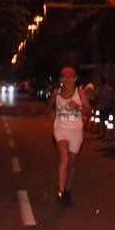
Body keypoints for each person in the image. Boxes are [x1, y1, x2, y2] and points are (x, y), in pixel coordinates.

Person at [49, 66, 91, 205]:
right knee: (64, 159)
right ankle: (60, 191)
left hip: (76, 131)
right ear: (61, 79)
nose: (66, 80)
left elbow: (88, 111)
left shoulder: (80, 93)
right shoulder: (56, 93)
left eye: (69, 77)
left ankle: (67, 189)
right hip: (60, 129)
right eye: (64, 77)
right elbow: (50, 107)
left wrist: (77, 106)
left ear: (75, 79)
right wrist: (52, 116)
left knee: (71, 164)